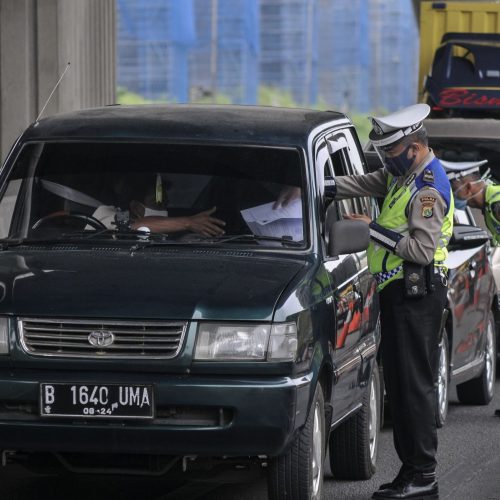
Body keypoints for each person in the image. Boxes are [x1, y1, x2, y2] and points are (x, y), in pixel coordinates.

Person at [331, 103, 453, 500]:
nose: (386, 161)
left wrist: (374, 230)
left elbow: (420, 249)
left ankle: (424, 476)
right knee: (399, 388)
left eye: (391, 153)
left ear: (414, 148)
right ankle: (410, 471)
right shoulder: (404, 175)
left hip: (418, 295)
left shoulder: (428, 187)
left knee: (414, 387)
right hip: (399, 294)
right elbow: (369, 182)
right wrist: (326, 186)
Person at [441, 159, 500, 244]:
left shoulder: (496, 203)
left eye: (453, 190)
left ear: (468, 188)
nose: (452, 195)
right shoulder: (489, 205)